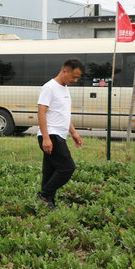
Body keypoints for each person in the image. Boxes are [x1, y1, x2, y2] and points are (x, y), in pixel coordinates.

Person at [36, 58, 84, 209]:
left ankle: (47, 203)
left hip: (59, 135)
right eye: (74, 76)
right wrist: (46, 138)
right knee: (67, 168)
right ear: (65, 71)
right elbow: (41, 112)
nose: (75, 80)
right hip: (52, 135)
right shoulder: (49, 87)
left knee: (49, 171)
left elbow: (63, 114)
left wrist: (74, 133)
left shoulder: (64, 88)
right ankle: (44, 195)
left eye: (78, 77)